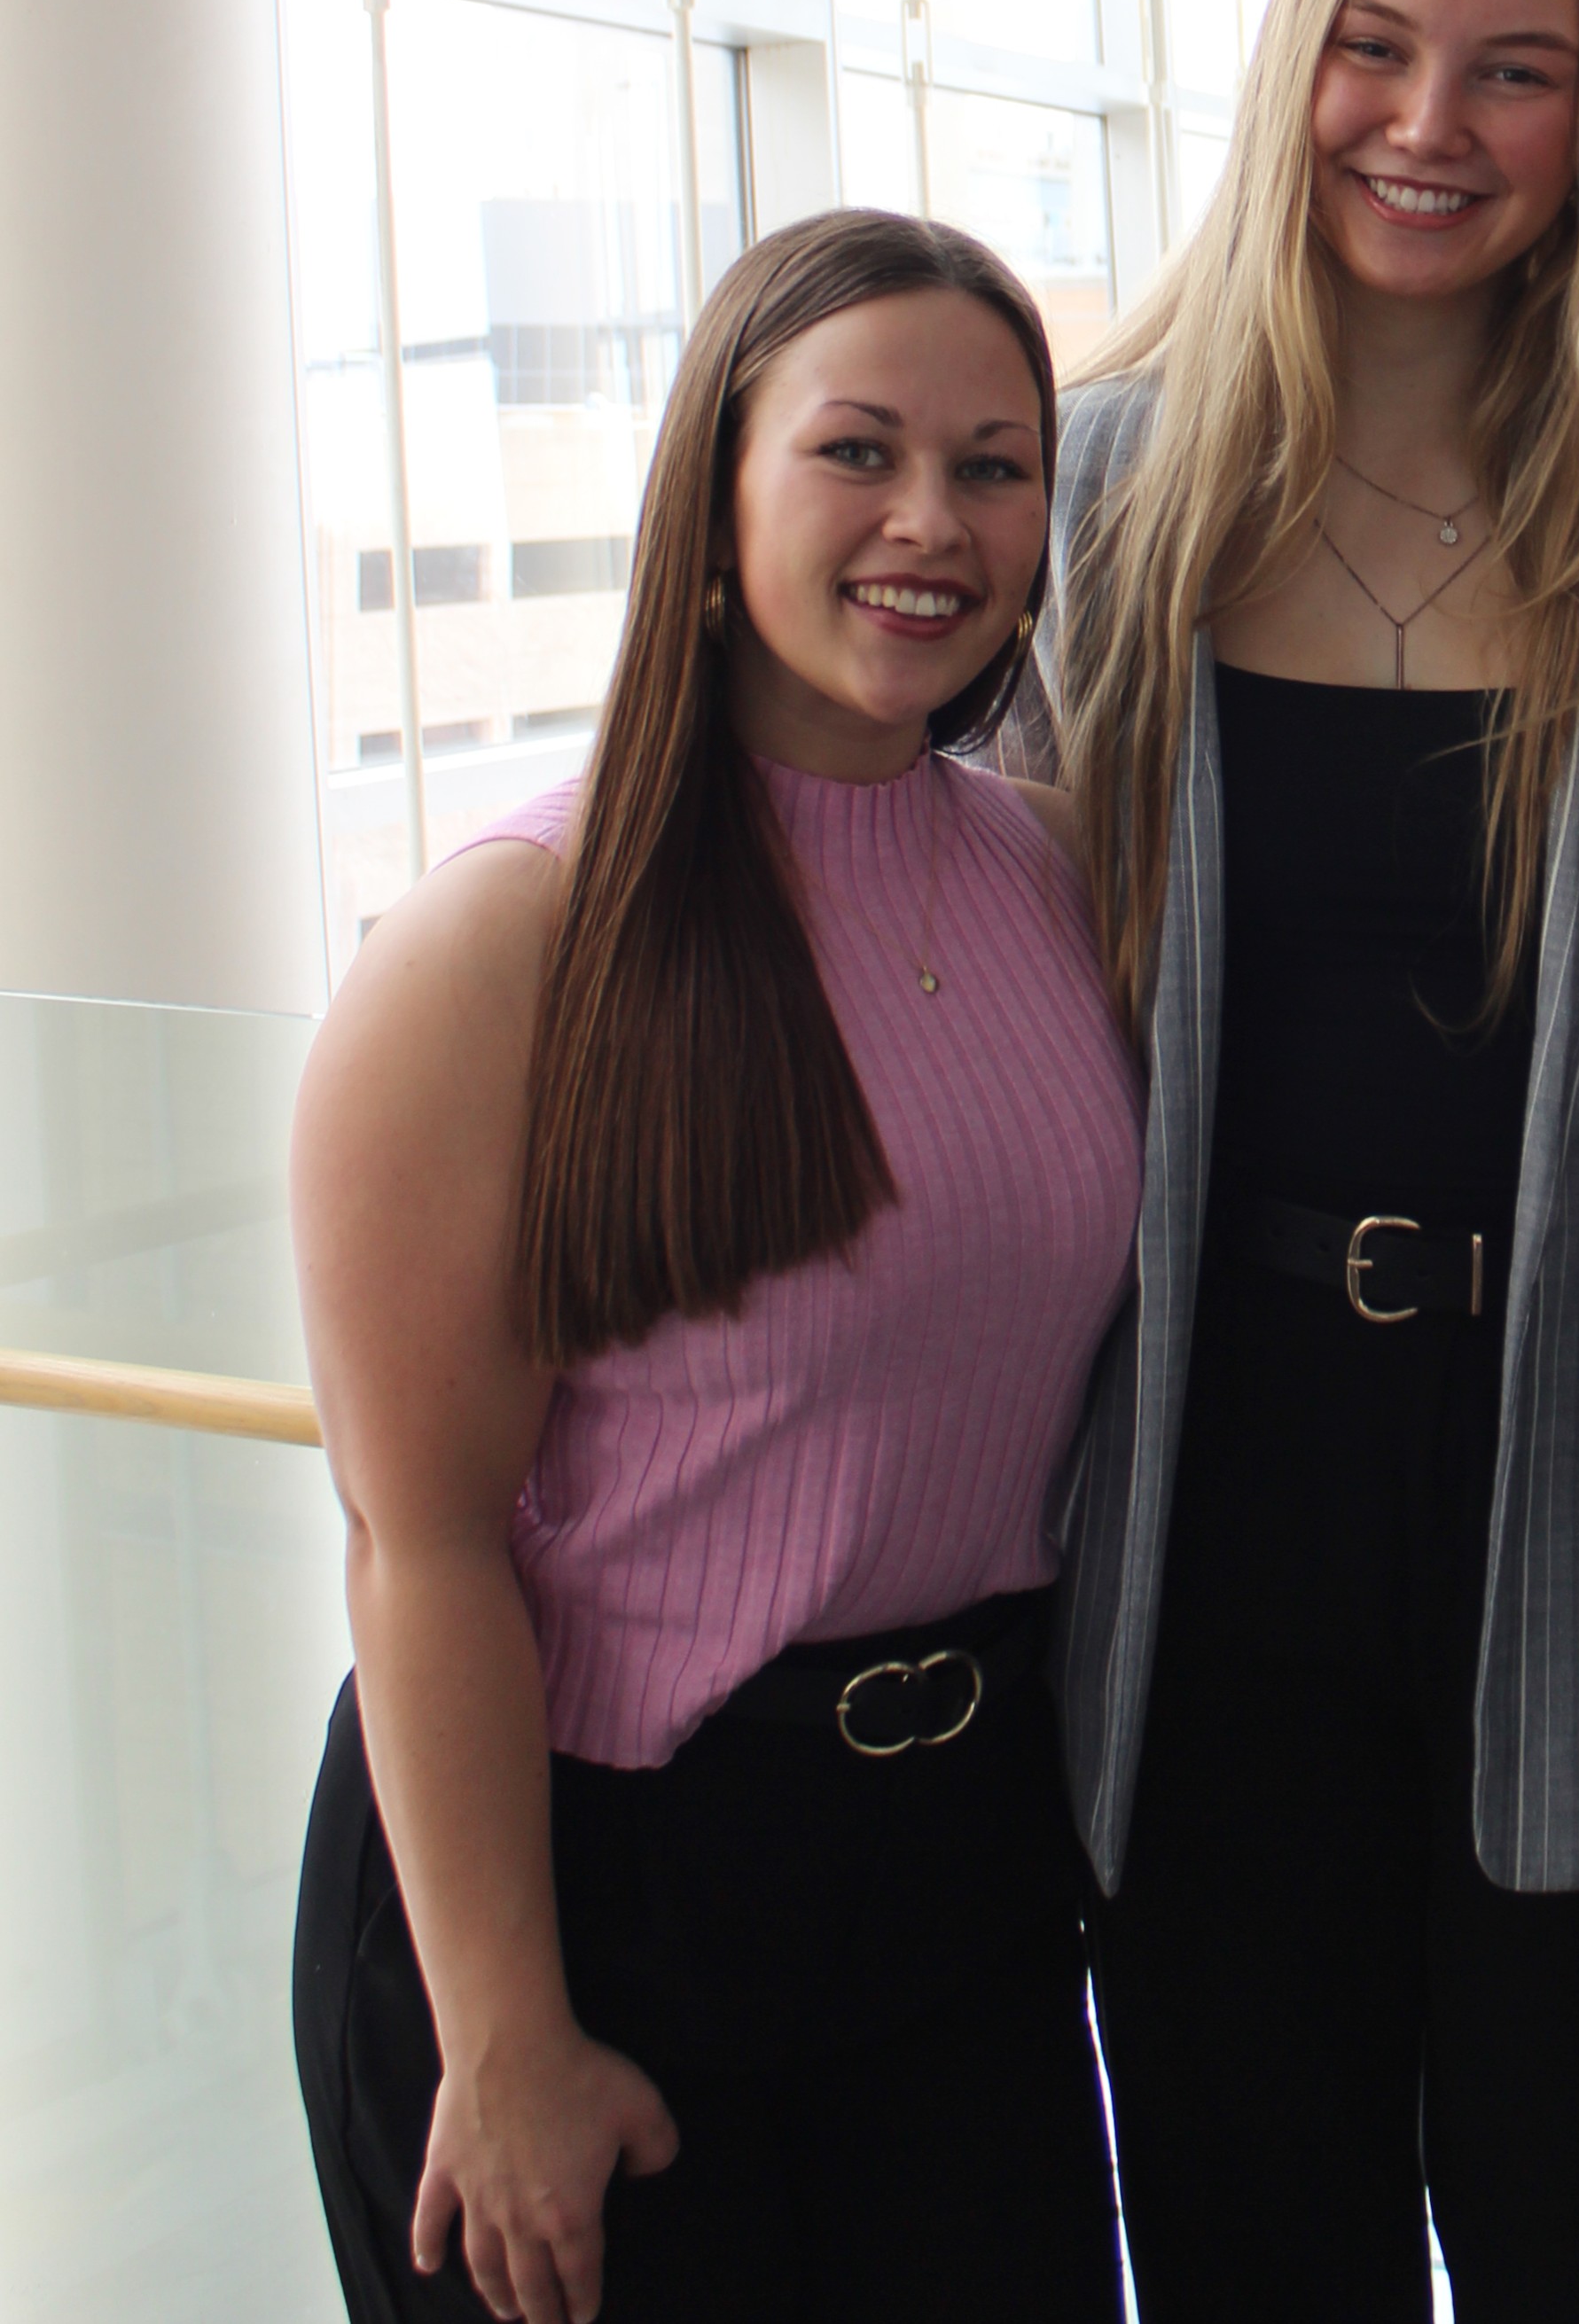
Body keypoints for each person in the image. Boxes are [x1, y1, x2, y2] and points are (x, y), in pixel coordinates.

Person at [1014, 0, 1579, 2320]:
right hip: (1211, 1500)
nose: (1425, 125)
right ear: (1290, 70)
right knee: (1259, 2237)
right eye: (1372, 51)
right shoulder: (1099, 484)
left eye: (1511, 70)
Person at [290, 213, 1141, 2324]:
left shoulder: (1054, 870)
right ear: (715, 495)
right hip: (593, 1894)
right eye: (855, 453)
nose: (928, 523)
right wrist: (504, 2041)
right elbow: (421, 1545)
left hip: (954, 1878)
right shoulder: (509, 944)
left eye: (993, 463)